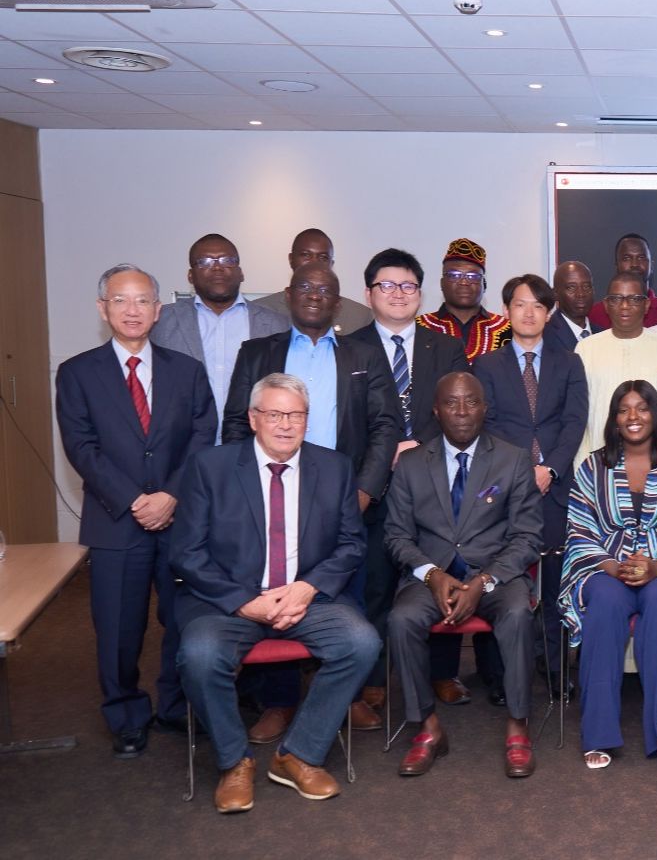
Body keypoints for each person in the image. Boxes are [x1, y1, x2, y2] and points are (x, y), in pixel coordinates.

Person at [172, 373, 381, 813]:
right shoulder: (210, 467)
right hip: (228, 603)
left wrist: (306, 588)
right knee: (200, 655)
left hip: (308, 599)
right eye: (274, 414)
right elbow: (187, 553)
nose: (285, 425)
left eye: (296, 415)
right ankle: (234, 761)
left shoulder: (334, 468)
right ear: (253, 418)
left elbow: (351, 545)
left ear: (307, 420)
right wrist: (245, 602)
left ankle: (299, 754)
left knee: (361, 642)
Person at [221, 261, 400, 740]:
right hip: (272, 494)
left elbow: (386, 425)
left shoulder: (365, 354)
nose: (315, 295)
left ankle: (347, 696)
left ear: (338, 302)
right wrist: (245, 493)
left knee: (346, 596)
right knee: (277, 592)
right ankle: (279, 703)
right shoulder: (258, 352)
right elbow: (237, 423)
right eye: (305, 287)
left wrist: (364, 490)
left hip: (345, 497)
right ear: (289, 294)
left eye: (325, 289)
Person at [57, 264, 217, 758]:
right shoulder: (77, 373)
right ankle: (125, 714)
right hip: (115, 521)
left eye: (143, 300)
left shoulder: (186, 370)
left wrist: (170, 494)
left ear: (158, 309)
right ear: (102, 308)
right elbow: (81, 447)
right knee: (118, 628)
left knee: (182, 619)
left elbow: (202, 434)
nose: (133, 310)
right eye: (121, 300)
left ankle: (175, 704)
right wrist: (133, 500)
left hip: (179, 519)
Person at [384, 372, 544, 778]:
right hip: (431, 576)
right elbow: (396, 535)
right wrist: (432, 574)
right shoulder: (411, 464)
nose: (461, 411)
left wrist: (485, 580)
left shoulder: (512, 459)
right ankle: (427, 727)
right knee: (401, 619)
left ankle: (518, 725)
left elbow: (527, 536)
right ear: (436, 411)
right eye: (451, 403)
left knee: (517, 613)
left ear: (484, 408)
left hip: (495, 575)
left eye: (470, 401)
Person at [342, 248, 469, 725]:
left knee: (442, 571)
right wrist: (385, 452)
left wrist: (418, 449)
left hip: (434, 480)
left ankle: (442, 672)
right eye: (387, 285)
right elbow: (345, 419)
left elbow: (460, 412)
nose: (398, 294)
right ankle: (374, 678)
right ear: (368, 293)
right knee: (374, 581)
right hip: (371, 484)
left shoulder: (445, 347)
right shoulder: (347, 347)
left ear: (420, 292)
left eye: (408, 286)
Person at [560, 381, 657, 773]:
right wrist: (615, 566)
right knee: (606, 603)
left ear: (655, 414)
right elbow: (579, 529)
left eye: (642, 408)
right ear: (614, 419)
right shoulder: (592, 467)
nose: (633, 417)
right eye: (624, 409)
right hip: (606, 567)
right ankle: (598, 733)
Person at [472, 274, 588, 698]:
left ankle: (555, 668)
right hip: (504, 489)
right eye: (520, 304)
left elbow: (575, 421)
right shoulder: (486, 365)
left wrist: (550, 468)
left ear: (549, 313)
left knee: (556, 581)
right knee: (502, 578)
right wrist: (523, 472)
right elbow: (486, 426)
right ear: (506, 310)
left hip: (556, 488)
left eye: (538, 306)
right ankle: (500, 674)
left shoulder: (569, 362)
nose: (528, 313)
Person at [151, 233, 288, 432]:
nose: (217, 267)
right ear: (190, 276)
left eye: (227, 260)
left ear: (241, 272)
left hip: (251, 441)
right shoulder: (160, 321)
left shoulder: (277, 324)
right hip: (182, 441)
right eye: (205, 261)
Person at [574, 272, 657, 466]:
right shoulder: (585, 349)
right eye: (616, 299)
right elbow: (577, 414)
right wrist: (583, 465)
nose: (624, 305)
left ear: (646, 305)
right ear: (606, 305)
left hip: (654, 463)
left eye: (634, 299)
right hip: (597, 462)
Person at [252, 229, 373, 333]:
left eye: (323, 257)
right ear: (291, 259)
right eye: (305, 255)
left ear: (331, 264)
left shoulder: (360, 316)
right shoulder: (257, 311)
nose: (314, 262)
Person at [415, 238, 512, 362]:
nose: (464, 282)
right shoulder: (418, 327)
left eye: (473, 276)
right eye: (454, 275)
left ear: (484, 284)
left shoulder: (509, 329)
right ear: (442, 283)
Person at [587, 233, 657, 329]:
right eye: (627, 258)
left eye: (641, 258)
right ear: (616, 265)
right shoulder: (595, 314)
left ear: (651, 265)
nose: (635, 264)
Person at [544, 260, 598, 350]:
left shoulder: (603, 334)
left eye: (586, 287)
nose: (581, 294)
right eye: (571, 288)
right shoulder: (545, 334)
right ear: (555, 294)